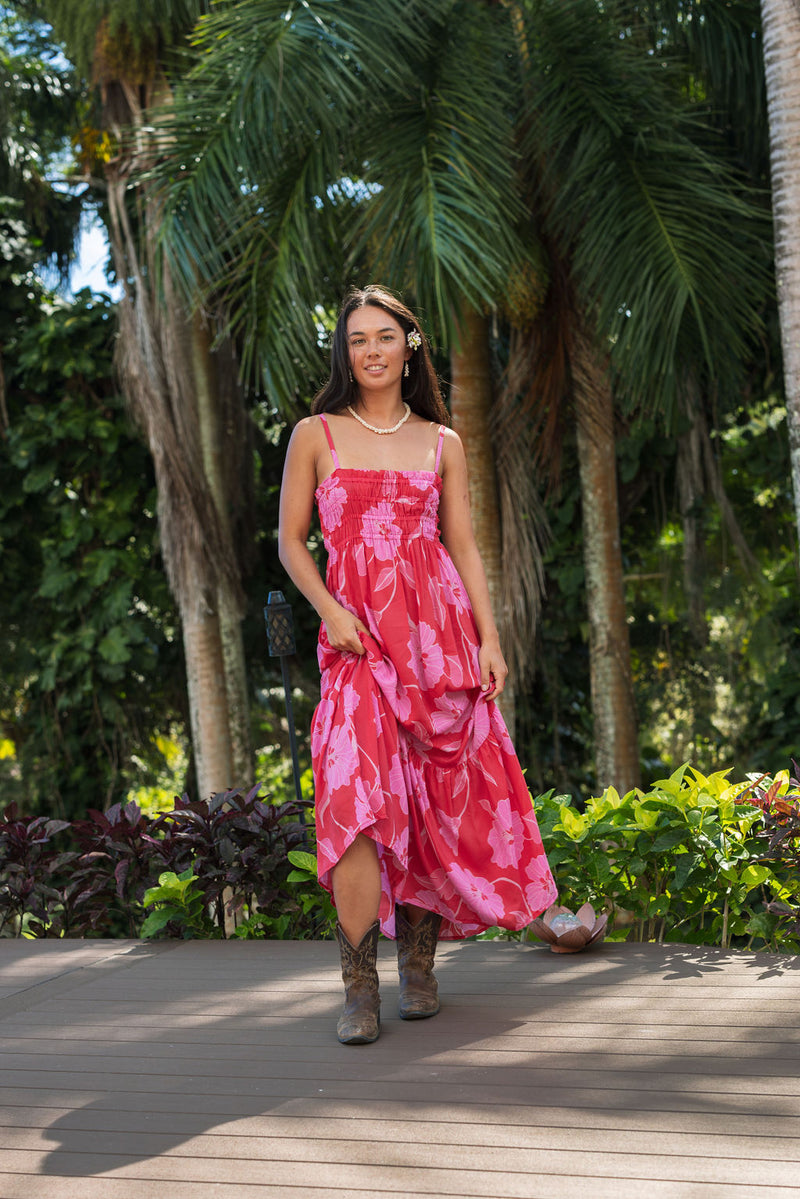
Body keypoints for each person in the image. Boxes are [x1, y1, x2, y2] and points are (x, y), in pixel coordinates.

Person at [278, 285, 557, 1045]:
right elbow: (290, 540)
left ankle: (422, 969)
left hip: (438, 643)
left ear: (411, 345)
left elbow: (463, 544)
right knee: (356, 801)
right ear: (346, 352)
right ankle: (359, 988)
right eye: (356, 339)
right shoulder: (316, 433)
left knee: (432, 804)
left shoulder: (443, 442)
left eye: (383, 336)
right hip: (357, 648)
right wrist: (333, 613)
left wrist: (490, 638)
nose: (369, 349)